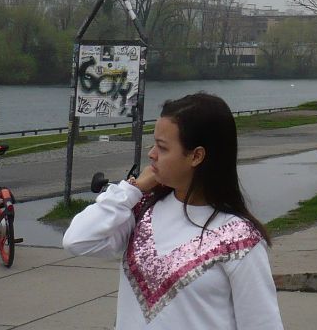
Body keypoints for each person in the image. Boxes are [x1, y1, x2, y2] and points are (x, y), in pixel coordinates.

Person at [63, 93, 284, 330]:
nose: (152, 154)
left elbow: (262, 323)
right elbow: (77, 240)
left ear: (196, 156)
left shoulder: (240, 239)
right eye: (153, 144)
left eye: (162, 147)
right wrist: (131, 189)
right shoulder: (141, 211)